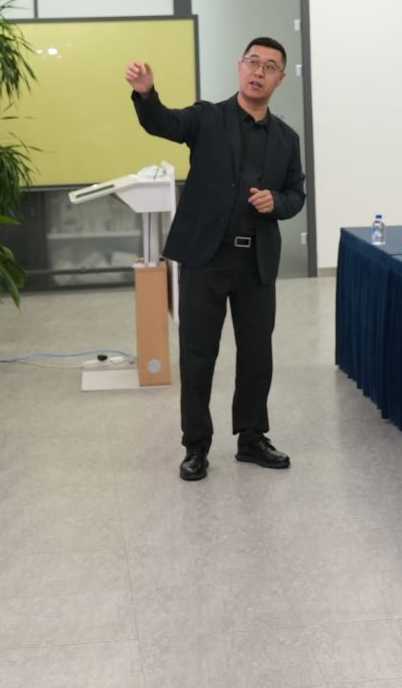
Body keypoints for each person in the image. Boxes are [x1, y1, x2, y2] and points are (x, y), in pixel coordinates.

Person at [126, 39, 306, 483]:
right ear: (240, 67)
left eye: (269, 67)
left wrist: (277, 202)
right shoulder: (208, 117)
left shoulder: (287, 139)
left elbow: (296, 195)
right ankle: (196, 445)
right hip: (206, 258)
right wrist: (146, 94)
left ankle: (252, 438)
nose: (259, 72)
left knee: (257, 354)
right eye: (253, 62)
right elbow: (163, 122)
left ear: (281, 78)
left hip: (256, 263)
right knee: (197, 354)